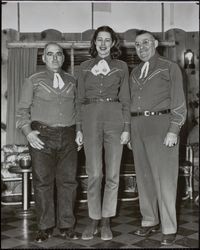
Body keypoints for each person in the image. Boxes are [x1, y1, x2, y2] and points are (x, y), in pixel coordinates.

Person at [129, 30, 187, 246]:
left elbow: (179, 101)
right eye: (137, 44)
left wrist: (174, 128)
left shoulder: (169, 67)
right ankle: (149, 220)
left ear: (155, 43)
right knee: (144, 179)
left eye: (146, 42)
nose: (141, 47)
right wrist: (128, 130)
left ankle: (169, 227)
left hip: (162, 126)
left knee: (165, 180)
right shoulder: (134, 72)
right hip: (137, 127)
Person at [16, 42, 78, 243]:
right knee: (43, 183)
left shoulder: (73, 80)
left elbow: (79, 110)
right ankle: (44, 227)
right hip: (41, 137)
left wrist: (80, 132)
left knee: (68, 182)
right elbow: (22, 111)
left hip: (69, 136)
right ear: (43, 58)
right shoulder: (32, 80)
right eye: (49, 54)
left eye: (58, 54)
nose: (54, 58)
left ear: (63, 58)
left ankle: (67, 225)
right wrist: (28, 133)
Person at [75, 26, 130, 241]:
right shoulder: (84, 67)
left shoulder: (122, 66)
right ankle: (93, 219)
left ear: (113, 43)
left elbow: (126, 99)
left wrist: (127, 128)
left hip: (115, 117)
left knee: (113, 174)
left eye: (108, 40)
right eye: (100, 40)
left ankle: (107, 220)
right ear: (94, 43)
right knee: (95, 173)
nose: (104, 44)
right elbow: (79, 100)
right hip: (90, 119)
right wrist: (79, 128)